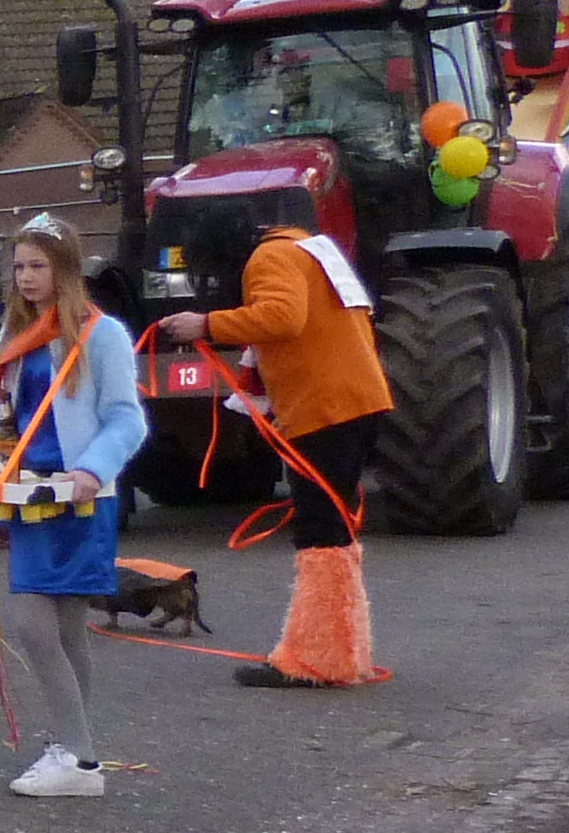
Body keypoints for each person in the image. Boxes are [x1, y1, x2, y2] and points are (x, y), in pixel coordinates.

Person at [148, 192, 391, 689]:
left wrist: (207, 324)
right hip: (351, 401)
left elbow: (283, 318)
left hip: (326, 409)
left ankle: (315, 661)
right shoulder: (300, 246)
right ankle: (343, 655)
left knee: (320, 537)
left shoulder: (270, 257)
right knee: (335, 537)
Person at [0, 212, 145, 800]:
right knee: (62, 630)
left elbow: (127, 419)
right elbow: (8, 427)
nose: (24, 277)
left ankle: (79, 757)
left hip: (76, 499)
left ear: (65, 269)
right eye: (19, 265)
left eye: (37, 265)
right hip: (27, 496)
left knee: (39, 627)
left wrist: (91, 469)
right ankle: (71, 749)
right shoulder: (16, 338)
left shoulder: (104, 335)